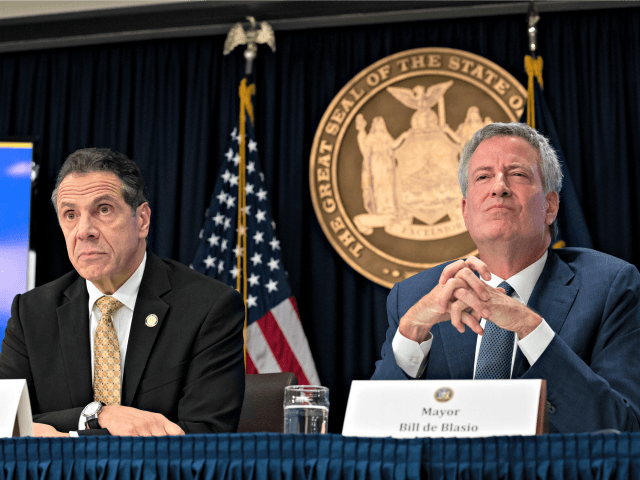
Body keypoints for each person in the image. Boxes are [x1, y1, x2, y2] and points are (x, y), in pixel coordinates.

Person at [371, 122, 640, 433]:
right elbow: (373, 438)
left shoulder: (609, 287)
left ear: (550, 206)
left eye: (518, 174)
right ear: (465, 211)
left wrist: (529, 327)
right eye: (483, 177)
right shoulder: (414, 295)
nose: (499, 186)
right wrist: (411, 332)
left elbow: (624, 429)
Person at [0, 148, 245, 437]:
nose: (83, 230)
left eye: (103, 209)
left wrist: (57, 433)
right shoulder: (31, 313)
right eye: (70, 215)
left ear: (141, 220)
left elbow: (204, 436)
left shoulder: (208, 307)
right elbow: (6, 418)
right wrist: (96, 417)